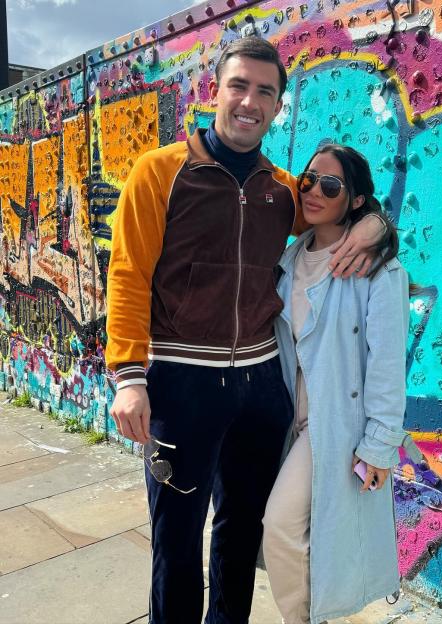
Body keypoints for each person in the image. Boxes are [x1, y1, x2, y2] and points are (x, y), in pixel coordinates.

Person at [105, 37, 388, 624]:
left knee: (240, 535)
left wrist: (378, 226)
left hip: (261, 389)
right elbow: (128, 273)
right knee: (177, 542)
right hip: (183, 384)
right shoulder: (159, 173)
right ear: (216, 89)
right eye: (239, 85)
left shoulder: (282, 190)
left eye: (265, 91)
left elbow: (337, 211)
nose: (249, 101)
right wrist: (129, 377)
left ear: (278, 106)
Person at [262, 144, 409, 624]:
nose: (313, 191)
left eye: (331, 185)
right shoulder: (288, 259)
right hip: (285, 415)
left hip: (332, 423)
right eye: (308, 180)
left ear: (358, 200)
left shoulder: (376, 270)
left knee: (281, 524)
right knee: (294, 536)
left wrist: (380, 445)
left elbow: (387, 365)